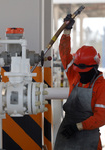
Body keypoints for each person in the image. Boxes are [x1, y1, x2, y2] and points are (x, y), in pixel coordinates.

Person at [54, 14, 105, 150]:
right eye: (79, 71)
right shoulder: (74, 74)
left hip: (88, 134)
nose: (81, 74)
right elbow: (65, 54)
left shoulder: (101, 86)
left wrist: (78, 127)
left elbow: (101, 117)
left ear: (94, 68)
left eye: (84, 72)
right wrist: (67, 30)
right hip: (67, 130)